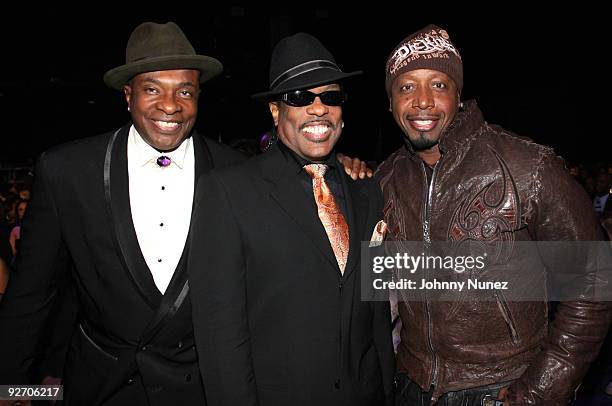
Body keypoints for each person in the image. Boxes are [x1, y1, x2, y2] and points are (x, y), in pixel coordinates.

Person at [0, 21, 245, 405]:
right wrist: (12, 388)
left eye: (184, 91)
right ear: (127, 95)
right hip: (100, 387)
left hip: (202, 389)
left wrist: (352, 175)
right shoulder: (67, 171)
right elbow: (31, 295)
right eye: (152, 89)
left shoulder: (235, 172)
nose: (170, 105)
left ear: (199, 97)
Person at [376, 25, 612, 405]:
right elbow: (377, 290)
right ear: (390, 103)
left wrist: (543, 388)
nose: (422, 101)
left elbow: (595, 279)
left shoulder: (528, 167)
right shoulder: (384, 179)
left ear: (457, 94)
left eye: (437, 84)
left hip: (502, 389)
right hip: (410, 386)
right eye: (406, 87)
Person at [188, 32, 395, 406]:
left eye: (330, 97)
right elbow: (221, 338)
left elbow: (376, 309)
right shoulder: (228, 192)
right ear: (274, 110)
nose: (318, 109)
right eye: (300, 97)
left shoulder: (367, 190)